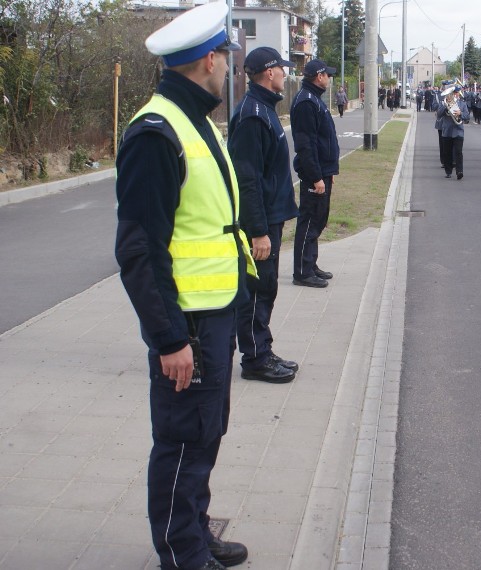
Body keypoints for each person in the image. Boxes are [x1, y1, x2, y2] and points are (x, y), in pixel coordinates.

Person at [114, 4, 252, 569]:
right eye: (224, 58)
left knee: (205, 434)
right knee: (181, 443)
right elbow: (138, 250)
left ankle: (195, 530)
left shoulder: (193, 118)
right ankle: (181, 554)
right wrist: (169, 337)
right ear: (209, 60)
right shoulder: (157, 132)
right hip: (187, 325)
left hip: (213, 313)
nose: (228, 69)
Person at [228, 47, 300, 385]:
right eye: (282, 69)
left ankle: (262, 349)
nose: (286, 74)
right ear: (269, 73)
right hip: (261, 221)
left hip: (272, 215)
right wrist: (257, 231)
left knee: (266, 286)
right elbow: (247, 180)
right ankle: (255, 357)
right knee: (257, 288)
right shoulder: (252, 115)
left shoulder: (264, 108)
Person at [291, 59, 341, 288]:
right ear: (319, 76)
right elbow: (306, 145)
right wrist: (316, 177)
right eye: (327, 75)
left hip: (323, 171)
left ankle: (310, 264)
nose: (330, 78)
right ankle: (302, 271)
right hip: (315, 174)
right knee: (310, 220)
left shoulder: (314, 99)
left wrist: (327, 172)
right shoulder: (306, 103)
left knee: (318, 219)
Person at [437, 85, 469, 179]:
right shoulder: (443, 103)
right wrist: (445, 106)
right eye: (453, 93)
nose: (455, 95)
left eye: (456, 93)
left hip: (458, 131)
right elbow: (439, 114)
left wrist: (460, 113)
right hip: (447, 131)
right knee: (447, 152)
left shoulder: (462, 104)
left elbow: (467, 116)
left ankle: (459, 171)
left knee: (458, 152)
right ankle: (448, 171)